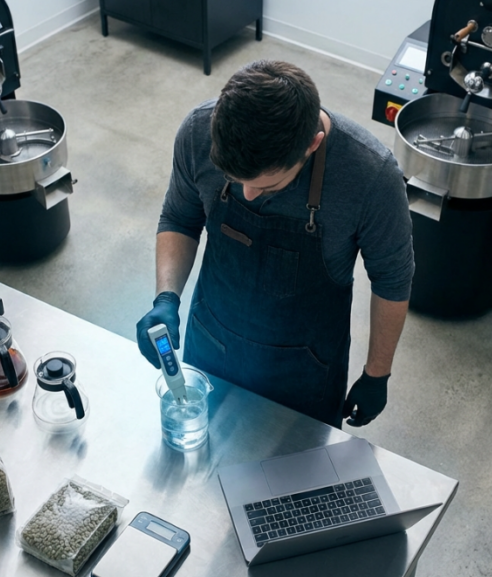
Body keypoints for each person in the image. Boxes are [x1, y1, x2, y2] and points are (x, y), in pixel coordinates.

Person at [136, 60, 413, 428]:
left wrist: (377, 374)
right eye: (234, 181)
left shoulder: (370, 177)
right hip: (211, 344)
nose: (248, 195)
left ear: (312, 145)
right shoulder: (198, 132)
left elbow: (392, 280)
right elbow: (179, 218)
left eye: (266, 186)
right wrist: (167, 298)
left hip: (304, 374)